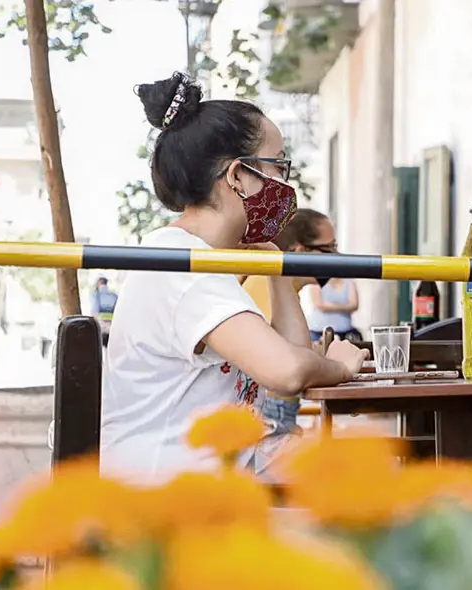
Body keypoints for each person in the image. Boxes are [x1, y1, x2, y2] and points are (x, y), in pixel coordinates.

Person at [100, 72, 368, 484]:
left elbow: (294, 355)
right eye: (279, 166)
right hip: (163, 504)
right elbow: (289, 371)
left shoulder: (205, 259)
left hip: (206, 491)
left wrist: (276, 267)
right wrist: (339, 367)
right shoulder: (182, 265)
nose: (285, 183)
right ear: (238, 176)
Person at [241, 208, 339, 322]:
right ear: (301, 251)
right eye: (329, 247)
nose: (335, 255)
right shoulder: (267, 285)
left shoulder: (286, 289)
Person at [306, 278, 361, 342]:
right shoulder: (317, 282)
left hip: (345, 332)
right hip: (319, 332)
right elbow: (320, 305)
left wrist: (330, 305)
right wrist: (344, 306)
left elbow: (354, 305)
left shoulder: (349, 282)